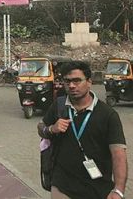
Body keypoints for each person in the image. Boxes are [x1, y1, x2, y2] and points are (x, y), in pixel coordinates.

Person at [38, 61, 127, 199]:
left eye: (77, 81)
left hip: (98, 187)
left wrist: (118, 190)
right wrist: (51, 129)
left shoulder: (108, 115)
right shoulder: (59, 106)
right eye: (67, 81)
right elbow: (41, 127)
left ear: (89, 82)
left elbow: (118, 154)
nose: (72, 86)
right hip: (62, 184)